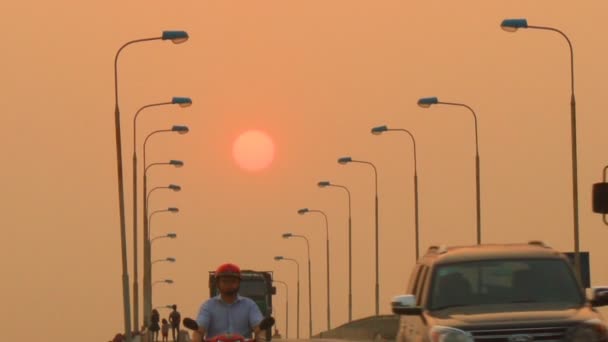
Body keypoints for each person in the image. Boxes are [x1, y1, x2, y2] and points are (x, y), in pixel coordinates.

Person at [193, 263, 266, 342]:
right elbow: (200, 328)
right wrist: (197, 336)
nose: (229, 284)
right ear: (218, 283)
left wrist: (260, 337)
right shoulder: (208, 306)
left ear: (239, 283)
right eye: (225, 281)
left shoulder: (250, 305)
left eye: (233, 281)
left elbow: (258, 327)